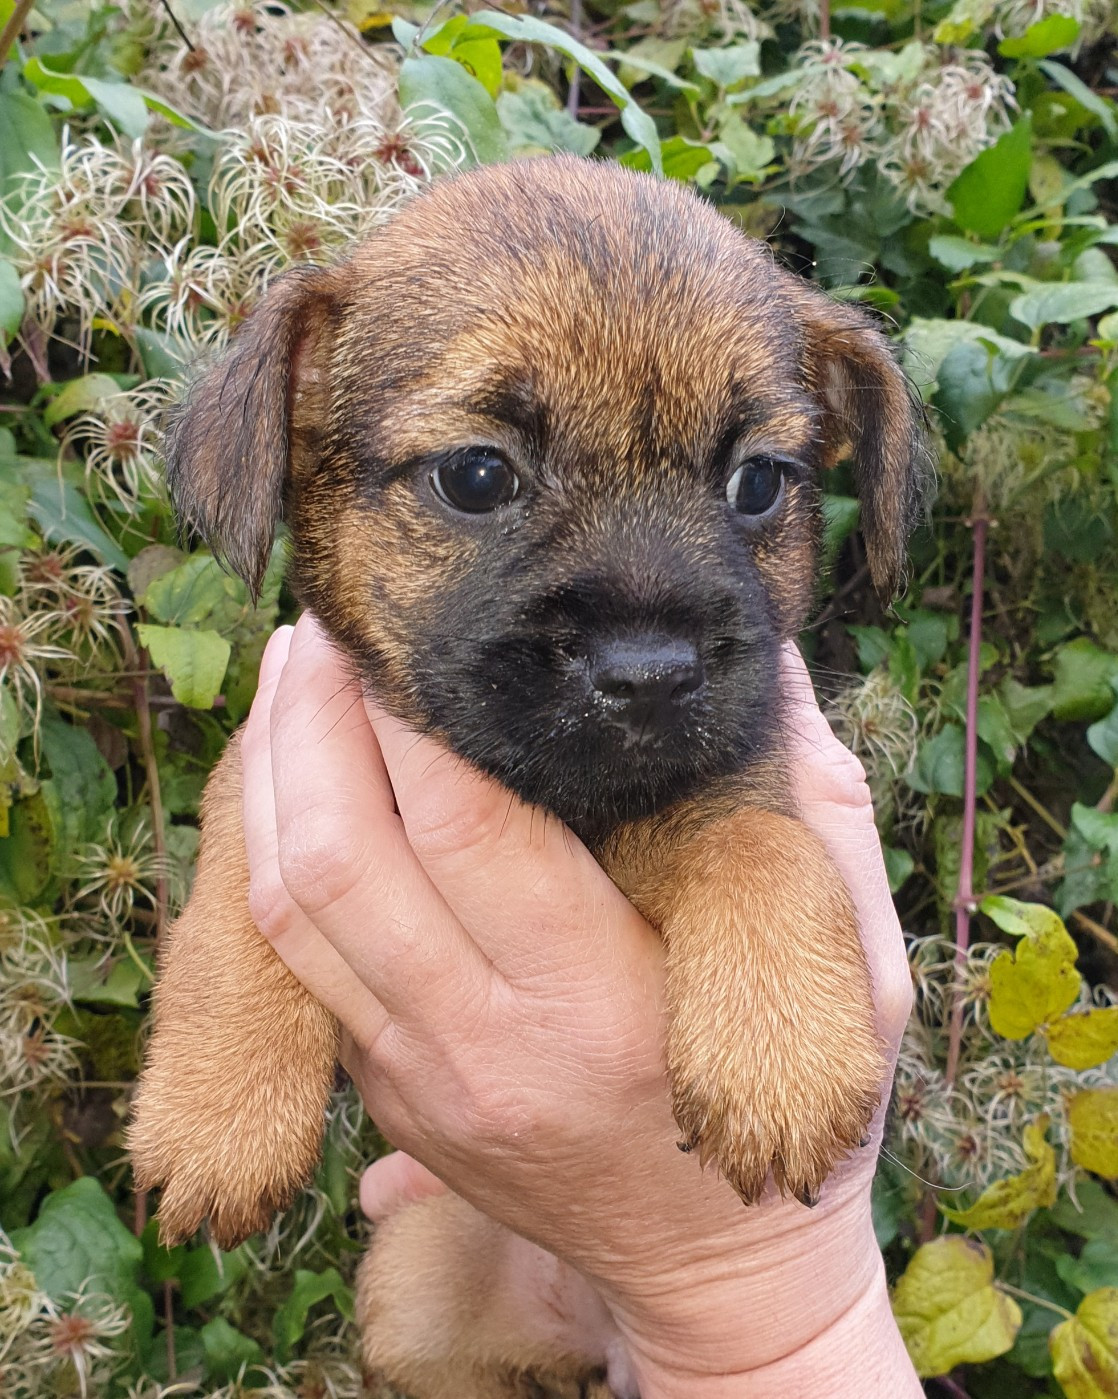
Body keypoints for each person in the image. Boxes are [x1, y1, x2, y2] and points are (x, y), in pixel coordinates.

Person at [239, 614, 923, 1398]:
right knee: (418, 1306)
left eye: (751, 486)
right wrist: (241, 1057)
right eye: (479, 482)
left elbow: (747, 827)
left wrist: (757, 1284)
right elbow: (276, 824)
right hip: (483, 1273)